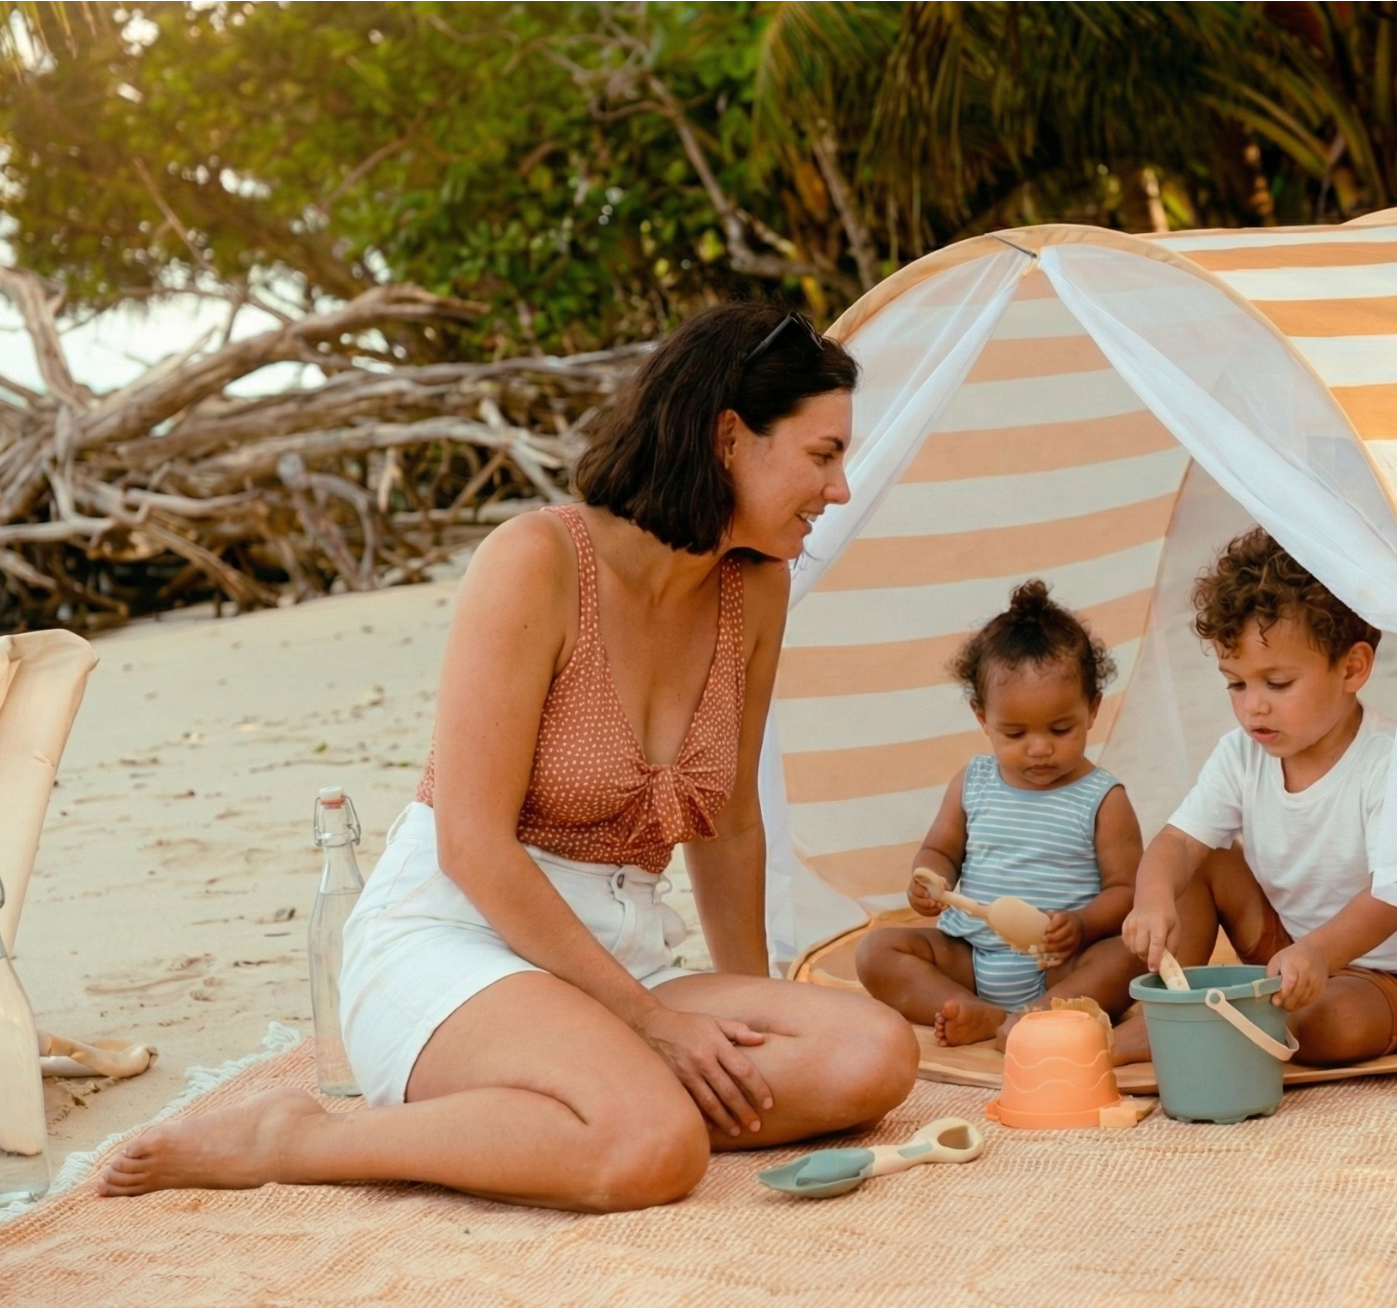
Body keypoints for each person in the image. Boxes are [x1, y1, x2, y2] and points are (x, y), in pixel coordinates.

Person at [98, 305, 917, 1212]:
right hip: (457, 940)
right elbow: (472, 847)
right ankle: (300, 1135)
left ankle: (589, 1097)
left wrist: (746, 1022)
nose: (840, 488)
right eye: (822, 454)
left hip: (625, 953)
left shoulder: (756, 588)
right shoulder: (538, 560)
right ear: (729, 438)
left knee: (870, 1054)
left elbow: (727, 827)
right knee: (649, 1149)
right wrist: (651, 1025)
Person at [1116, 528, 1397, 1067]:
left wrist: (1320, 954)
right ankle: (1175, 1008)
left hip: (1384, 975)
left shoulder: (1388, 761)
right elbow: (1178, 843)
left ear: (1352, 668)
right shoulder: (1240, 755)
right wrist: (1153, 896)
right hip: (1287, 955)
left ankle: (1181, 1034)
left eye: (1277, 684)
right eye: (1236, 685)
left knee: (1330, 1025)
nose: (1254, 708)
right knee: (1199, 863)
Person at [856, 580, 1145, 1047]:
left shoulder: (1102, 798)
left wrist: (1082, 925)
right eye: (1014, 733)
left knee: (1133, 953)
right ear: (982, 717)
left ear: (1092, 709)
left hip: (1061, 964)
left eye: (1060, 728)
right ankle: (978, 1012)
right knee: (876, 951)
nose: (1039, 748)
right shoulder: (973, 782)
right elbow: (940, 848)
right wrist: (928, 879)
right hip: (969, 955)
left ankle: (1040, 1018)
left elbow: (1128, 890)